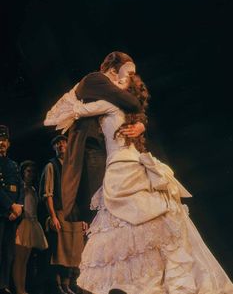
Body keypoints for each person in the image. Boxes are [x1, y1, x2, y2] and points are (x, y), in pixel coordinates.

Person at [61, 76, 233, 294]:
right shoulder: (109, 104)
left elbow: (68, 113)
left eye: (125, 79)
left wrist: (141, 125)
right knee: (123, 233)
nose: (120, 83)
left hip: (131, 167)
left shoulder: (128, 112)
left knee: (155, 229)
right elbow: (73, 113)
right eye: (118, 77)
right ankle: (134, 285)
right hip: (116, 172)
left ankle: (154, 284)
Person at [44, 51, 146, 223]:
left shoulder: (112, 91)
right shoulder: (95, 80)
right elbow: (133, 103)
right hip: (92, 146)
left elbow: (134, 107)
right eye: (127, 72)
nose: (129, 77)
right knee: (99, 197)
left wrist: (141, 124)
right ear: (114, 70)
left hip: (111, 148)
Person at [41, 135, 85, 294]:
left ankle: (69, 284)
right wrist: (53, 216)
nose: (61, 145)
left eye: (64, 142)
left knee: (74, 251)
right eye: (57, 143)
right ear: (54, 147)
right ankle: (58, 285)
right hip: (60, 212)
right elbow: (48, 194)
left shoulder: (74, 166)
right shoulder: (51, 166)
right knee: (59, 251)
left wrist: (84, 218)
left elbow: (81, 194)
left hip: (75, 214)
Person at [12, 160, 48, 294]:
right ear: (23, 172)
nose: (30, 174)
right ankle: (19, 289)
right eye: (28, 171)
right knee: (19, 259)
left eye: (33, 172)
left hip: (32, 223)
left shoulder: (33, 189)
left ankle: (23, 288)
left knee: (25, 260)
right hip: (22, 224)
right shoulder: (20, 188)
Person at [0, 125, 24, 294]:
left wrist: (20, 207)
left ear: (8, 144)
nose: (1, 142)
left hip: (13, 215)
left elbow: (20, 187)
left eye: (4, 140)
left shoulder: (13, 164)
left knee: (8, 253)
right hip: (2, 212)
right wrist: (11, 205)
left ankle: (4, 285)